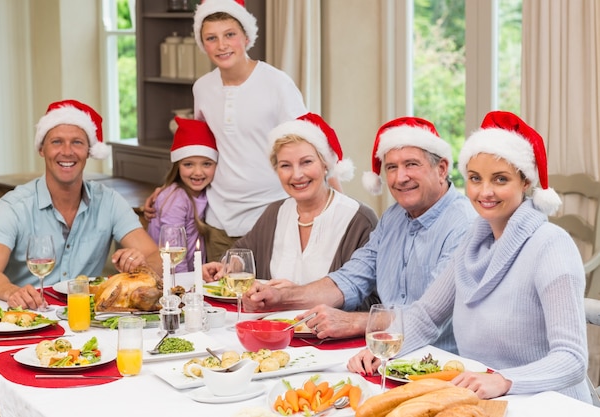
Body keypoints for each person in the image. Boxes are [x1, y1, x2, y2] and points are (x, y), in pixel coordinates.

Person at [348, 111, 591, 403]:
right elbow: (426, 315)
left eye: (500, 179)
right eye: (475, 179)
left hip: (549, 403)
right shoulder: (473, 243)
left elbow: (572, 359)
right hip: (486, 400)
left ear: (525, 182)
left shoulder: (551, 246)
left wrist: (504, 381)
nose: (485, 191)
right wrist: (386, 347)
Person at [243, 117, 476, 350]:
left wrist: (355, 322)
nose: (400, 177)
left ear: (442, 169)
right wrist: (280, 297)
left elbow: (430, 313)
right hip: (387, 353)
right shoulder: (393, 218)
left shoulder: (464, 224)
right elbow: (350, 280)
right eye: (391, 167)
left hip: (442, 361)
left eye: (411, 164)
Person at [144, 0, 326, 262]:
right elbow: (199, 149)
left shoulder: (277, 83)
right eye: (211, 38)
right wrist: (168, 187)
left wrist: (335, 202)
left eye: (230, 34)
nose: (222, 45)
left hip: (272, 216)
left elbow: (312, 143)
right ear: (202, 44)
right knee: (221, 297)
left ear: (246, 37)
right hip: (219, 220)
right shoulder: (202, 88)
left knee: (268, 298)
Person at [0, 99, 162, 310]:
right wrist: (12, 292)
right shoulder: (13, 206)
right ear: (41, 149)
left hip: (88, 315)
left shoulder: (109, 201)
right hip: (26, 315)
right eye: (56, 142)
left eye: (77, 142)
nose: (67, 151)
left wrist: (143, 266)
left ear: (89, 151)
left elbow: (157, 257)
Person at [203, 113, 378, 308]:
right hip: (273, 330)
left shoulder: (359, 219)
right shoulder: (276, 212)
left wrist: (296, 296)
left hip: (328, 337)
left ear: (325, 164)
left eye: (306, 162)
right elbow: (242, 251)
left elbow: (372, 300)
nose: (297, 175)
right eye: (285, 165)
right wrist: (229, 266)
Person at [147, 117, 218, 271]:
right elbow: (173, 254)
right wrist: (183, 287)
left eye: (206, 164)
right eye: (188, 164)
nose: (198, 172)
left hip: (193, 275)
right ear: (177, 166)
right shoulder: (176, 199)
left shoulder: (208, 191)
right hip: (174, 276)